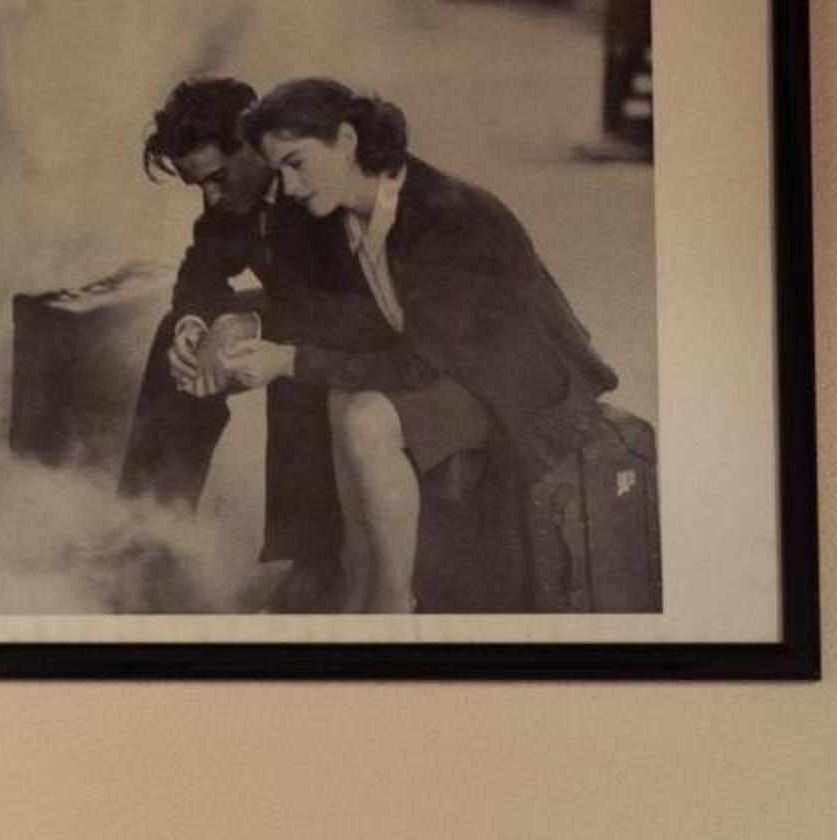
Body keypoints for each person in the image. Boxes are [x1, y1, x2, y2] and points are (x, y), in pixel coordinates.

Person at [201, 77, 620, 612]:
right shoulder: (347, 211)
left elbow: (420, 362)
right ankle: (359, 585)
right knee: (340, 396)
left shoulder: (447, 215)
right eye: (278, 170)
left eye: (297, 163)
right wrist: (242, 324)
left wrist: (287, 359)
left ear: (346, 140)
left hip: (528, 387)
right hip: (456, 367)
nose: (289, 186)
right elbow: (332, 318)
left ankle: (393, 602)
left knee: (366, 417)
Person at [115, 76, 348, 603]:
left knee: (283, 364)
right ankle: (150, 529)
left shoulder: (314, 182)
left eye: (217, 177)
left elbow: (346, 310)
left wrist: (255, 328)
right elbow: (200, 273)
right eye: (200, 185)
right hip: (301, 313)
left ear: (251, 142)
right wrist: (194, 328)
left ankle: (313, 563)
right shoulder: (231, 202)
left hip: (362, 325)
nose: (212, 197)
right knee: (176, 334)